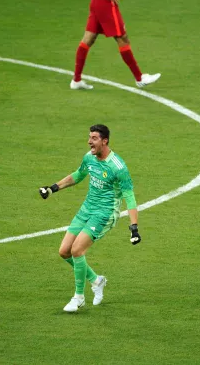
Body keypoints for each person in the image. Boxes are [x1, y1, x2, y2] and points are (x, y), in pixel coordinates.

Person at [39, 124, 142, 312]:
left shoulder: (118, 167)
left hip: (104, 214)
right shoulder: (89, 158)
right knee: (64, 251)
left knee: (77, 250)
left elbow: (129, 196)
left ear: (105, 141)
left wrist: (134, 227)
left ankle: (78, 297)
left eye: (94, 138)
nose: (89, 141)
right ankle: (97, 280)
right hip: (86, 209)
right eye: (89, 137)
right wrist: (53, 188)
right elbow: (78, 175)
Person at [70, 0, 160, 90]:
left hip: (96, 1)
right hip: (106, 4)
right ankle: (139, 78)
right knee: (123, 38)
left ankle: (76, 80)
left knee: (88, 39)